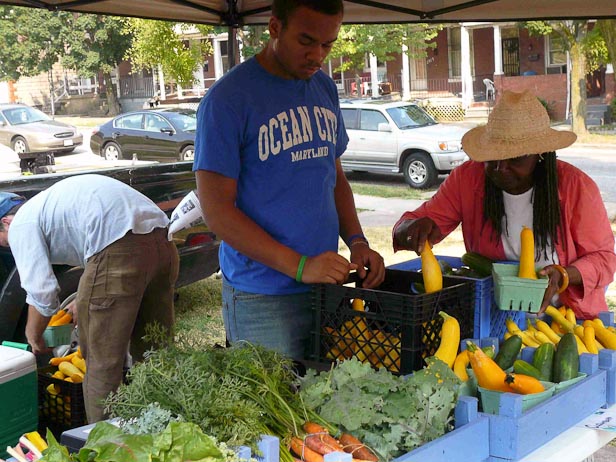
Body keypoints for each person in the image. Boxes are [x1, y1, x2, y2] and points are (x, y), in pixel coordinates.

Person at [193, 0, 385, 359]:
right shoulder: (227, 101)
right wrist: (299, 266)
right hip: (261, 296)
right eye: (306, 41)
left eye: (327, 45)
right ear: (275, 28)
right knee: (272, 411)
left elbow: (335, 178)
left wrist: (357, 241)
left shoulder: (324, 88)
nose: (317, 56)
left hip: (325, 287)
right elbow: (217, 211)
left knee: (321, 407)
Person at [392, 90, 616, 319]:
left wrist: (563, 275)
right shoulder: (468, 179)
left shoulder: (576, 187)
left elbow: (605, 259)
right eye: (492, 158)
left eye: (515, 159)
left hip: (567, 317)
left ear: (540, 156)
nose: (501, 168)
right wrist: (409, 230)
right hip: (495, 317)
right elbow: (409, 225)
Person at [0, 175, 179, 423]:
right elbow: (99, 249)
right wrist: (84, 297)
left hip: (121, 245)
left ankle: (104, 445)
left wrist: (33, 335)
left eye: (2, 242)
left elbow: (42, 292)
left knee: (101, 363)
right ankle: (164, 425)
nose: (7, 248)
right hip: (163, 241)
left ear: (5, 222)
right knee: (155, 350)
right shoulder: (49, 204)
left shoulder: (20, 224)